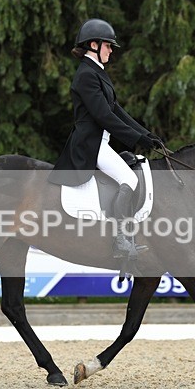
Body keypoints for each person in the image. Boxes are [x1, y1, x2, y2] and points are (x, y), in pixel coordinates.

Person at [49, 18, 162, 261]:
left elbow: (117, 111)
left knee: (129, 176)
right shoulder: (86, 75)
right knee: (129, 179)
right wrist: (136, 138)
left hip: (100, 143)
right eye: (108, 46)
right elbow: (103, 116)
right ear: (94, 45)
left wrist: (146, 135)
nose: (111, 50)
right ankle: (121, 241)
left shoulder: (96, 72)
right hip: (89, 145)